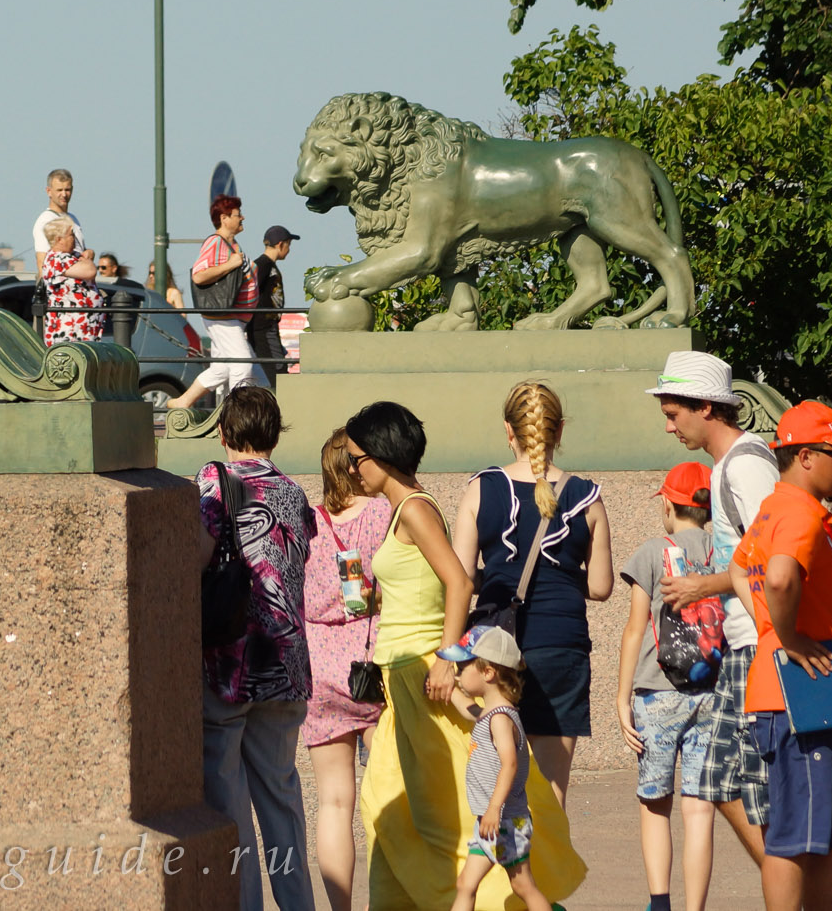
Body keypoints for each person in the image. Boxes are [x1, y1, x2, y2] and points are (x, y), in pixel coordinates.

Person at [350, 401, 584, 910]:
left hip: (422, 676)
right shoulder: (402, 510)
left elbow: (460, 579)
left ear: (380, 456)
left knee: (444, 816)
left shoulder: (413, 507)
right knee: (387, 808)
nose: (351, 469)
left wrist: (445, 657)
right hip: (404, 678)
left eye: (355, 458)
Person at [732, 400, 832, 911]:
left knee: (831, 834)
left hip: (816, 687)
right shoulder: (795, 512)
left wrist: (771, 627)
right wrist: (785, 638)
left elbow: (739, 564)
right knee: (797, 836)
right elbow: (781, 576)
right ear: (807, 456)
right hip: (799, 691)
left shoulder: (780, 504)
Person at [451, 380, 613, 806]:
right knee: (551, 793)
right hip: (562, 645)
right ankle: (546, 869)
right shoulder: (586, 497)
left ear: (509, 431)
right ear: (559, 430)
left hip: (497, 649)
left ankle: (503, 871)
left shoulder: (481, 488)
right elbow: (600, 586)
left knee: (496, 781)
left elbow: (461, 577)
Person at [652, 349, 779, 865]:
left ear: (706, 407)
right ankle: (790, 882)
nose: (669, 428)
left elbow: (776, 561)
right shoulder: (735, 463)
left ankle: (793, 885)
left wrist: (703, 585)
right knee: (724, 782)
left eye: (673, 414)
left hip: (763, 645)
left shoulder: (746, 466)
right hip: (747, 643)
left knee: (734, 783)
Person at [195, 387, 314, 911]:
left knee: (231, 805)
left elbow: (198, 553)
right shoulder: (294, 492)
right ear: (274, 432)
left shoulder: (214, 481)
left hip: (230, 661)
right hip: (287, 662)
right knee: (282, 800)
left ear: (223, 433)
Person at [615, 460, 722, 911]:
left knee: (654, 800)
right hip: (713, 690)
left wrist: (621, 698)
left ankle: (660, 903)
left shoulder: (651, 552)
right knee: (700, 807)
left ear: (667, 504)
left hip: (657, 691)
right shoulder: (724, 552)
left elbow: (635, 629)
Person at [300, 427, 392, 911]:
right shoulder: (381, 513)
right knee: (383, 797)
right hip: (371, 665)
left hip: (320, 668)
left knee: (334, 803)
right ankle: (389, 899)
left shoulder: (309, 520)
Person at [444, 625, 554, 911]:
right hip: (497, 822)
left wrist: (493, 808)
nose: (457, 673)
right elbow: (471, 710)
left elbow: (510, 764)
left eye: (462, 667)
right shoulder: (493, 714)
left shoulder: (500, 719)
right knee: (491, 885)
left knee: (507, 885)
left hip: (502, 820)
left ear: (488, 672)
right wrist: (449, 690)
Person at [168, 195, 260, 409]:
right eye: (238, 214)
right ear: (224, 218)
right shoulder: (215, 242)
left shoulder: (231, 244)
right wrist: (230, 264)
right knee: (243, 364)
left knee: (222, 368)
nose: (242, 218)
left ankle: (184, 401)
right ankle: (236, 412)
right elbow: (199, 275)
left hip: (233, 317)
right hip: (224, 316)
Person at [37, 217, 103, 345]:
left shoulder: (69, 256)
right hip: (70, 330)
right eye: (71, 235)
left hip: (83, 327)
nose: (74, 238)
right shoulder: (56, 259)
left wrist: (89, 253)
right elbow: (90, 271)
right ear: (59, 239)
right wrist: (88, 259)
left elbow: (86, 258)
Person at [248, 226, 299, 386]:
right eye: (288, 245)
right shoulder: (263, 265)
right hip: (263, 328)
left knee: (276, 369)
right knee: (277, 373)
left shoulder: (268, 265)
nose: (289, 250)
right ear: (281, 244)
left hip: (268, 327)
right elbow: (249, 291)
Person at [31, 169, 82, 270]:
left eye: (67, 190)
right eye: (59, 190)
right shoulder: (46, 220)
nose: (64, 194)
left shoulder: (73, 219)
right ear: (49, 191)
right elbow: (42, 261)